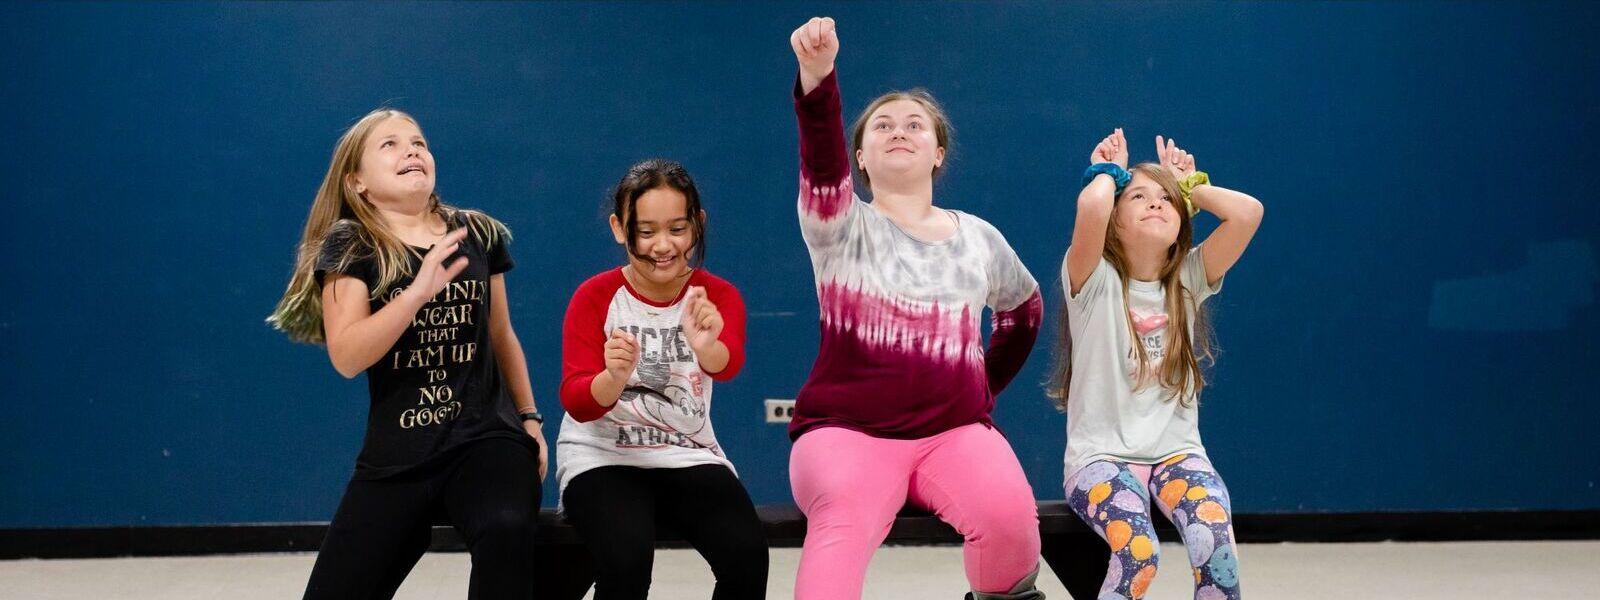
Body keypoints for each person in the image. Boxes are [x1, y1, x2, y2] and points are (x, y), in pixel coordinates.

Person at [785, 17, 1047, 600]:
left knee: (1011, 528)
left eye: (914, 125)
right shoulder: (837, 224)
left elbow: (1024, 310)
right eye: (882, 126)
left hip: (954, 433)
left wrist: (981, 385)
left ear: (938, 153)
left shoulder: (979, 237)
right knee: (835, 551)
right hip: (844, 433)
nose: (897, 132)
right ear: (859, 157)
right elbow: (821, 164)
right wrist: (818, 78)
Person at [267, 108, 547, 600]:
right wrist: (416, 293)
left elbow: (502, 334)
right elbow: (347, 356)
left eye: (418, 142)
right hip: (398, 454)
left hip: (486, 439)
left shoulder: (476, 232)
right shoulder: (351, 244)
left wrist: (530, 419)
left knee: (506, 527)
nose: (412, 151)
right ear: (357, 182)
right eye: (390, 145)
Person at [1051, 128, 1264, 600]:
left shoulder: (1188, 279)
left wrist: (1189, 187)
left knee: (1216, 546)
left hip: (1177, 454)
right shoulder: (1093, 279)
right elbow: (1091, 207)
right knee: (1139, 552)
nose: (1155, 202)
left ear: (1181, 221)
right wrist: (1108, 172)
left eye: (1165, 199)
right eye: (1139, 196)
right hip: (1100, 459)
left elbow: (1247, 213)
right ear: (1114, 222)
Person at [556, 158, 768, 599]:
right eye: (646, 231)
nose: (663, 245)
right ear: (619, 228)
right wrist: (613, 377)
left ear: (698, 224)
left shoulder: (717, 295)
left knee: (747, 554)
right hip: (601, 456)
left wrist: (707, 345)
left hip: (686, 453)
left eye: (677, 229)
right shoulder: (595, 296)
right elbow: (577, 401)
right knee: (626, 560)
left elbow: (727, 365)